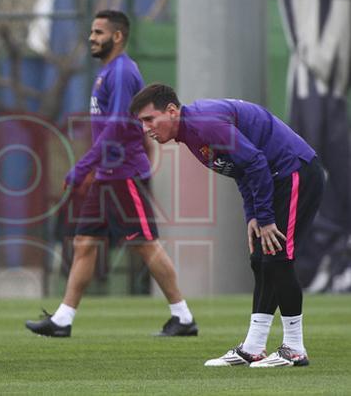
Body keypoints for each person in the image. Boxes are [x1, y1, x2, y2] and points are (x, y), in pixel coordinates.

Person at [25, 10, 197, 338]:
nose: (92, 37)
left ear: (117, 36)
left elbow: (118, 127)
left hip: (124, 174)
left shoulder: (121, 72)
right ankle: (62, 320)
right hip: (107, 174)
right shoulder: (108, 72)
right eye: (92, 31)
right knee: (85, 242)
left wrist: (81, 166)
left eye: (99, 32)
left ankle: (183, 317)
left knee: (144, 244)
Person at [130, 83, 324, 367]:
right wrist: (254, 216)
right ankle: (253, 347)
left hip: (295, 171)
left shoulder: (204, 123)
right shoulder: (190, 133)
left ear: (171, 111)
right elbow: (241, 169)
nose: (146, 128)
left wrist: (267, 218)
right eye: (141, 122)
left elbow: (256, 162)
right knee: (261, 260)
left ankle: (294, 348)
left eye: (149, 119)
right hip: (275, 178)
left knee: (277, 258)